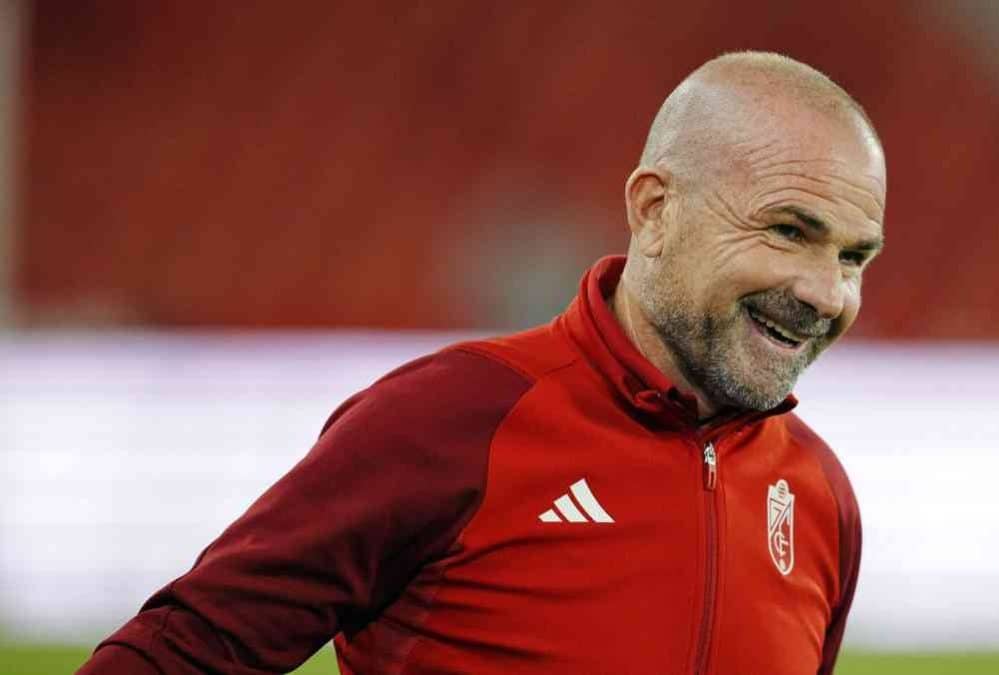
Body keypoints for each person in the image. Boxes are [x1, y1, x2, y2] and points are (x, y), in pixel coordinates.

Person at [79, 50, 886, 674]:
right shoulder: (453, 421)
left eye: (854, 256)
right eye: (787, 231)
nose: (824, 291)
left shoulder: (819, 498)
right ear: (655, 209)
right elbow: (182, 649)